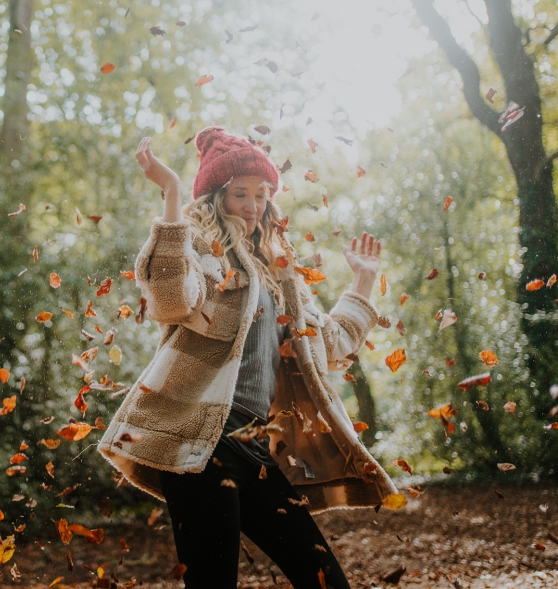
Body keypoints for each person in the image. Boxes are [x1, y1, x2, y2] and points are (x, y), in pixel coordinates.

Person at [97, 128, 401, 589]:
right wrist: (173, 193)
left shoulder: (282, 278)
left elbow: (332, 345)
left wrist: (362, 282)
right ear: (217, 196)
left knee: (324, 579)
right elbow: (171, 299)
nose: (253, 205)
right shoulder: (203, 249)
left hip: (254, 447)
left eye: (262, 195)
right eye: (241, 193)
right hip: (199, 444)